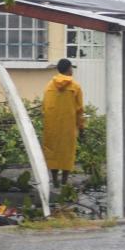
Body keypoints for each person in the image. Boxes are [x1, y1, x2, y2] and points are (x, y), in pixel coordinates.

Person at [42, 58, 85, 188]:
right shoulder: (75, 87)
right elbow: (79, 110)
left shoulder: (49, 86)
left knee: (53, 152)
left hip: (51, 127)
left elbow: (44, 107)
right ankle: (64, 181)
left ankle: (55, 180)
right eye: (71, 68)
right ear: (68, 69)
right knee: (67, 152)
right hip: (68, 128)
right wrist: (82, 128)